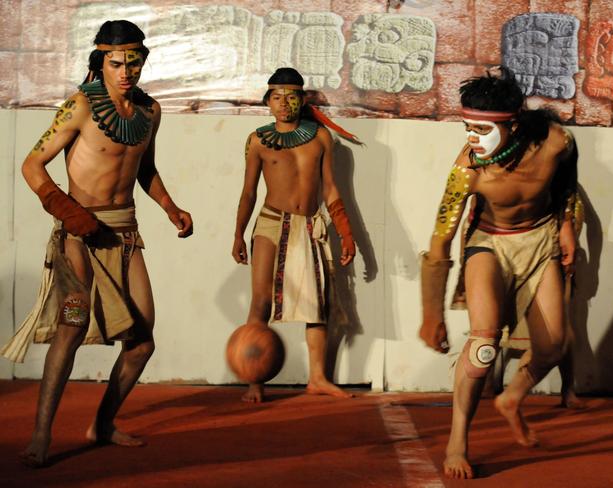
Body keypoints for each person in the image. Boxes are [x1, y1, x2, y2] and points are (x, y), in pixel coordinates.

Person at [1, 20, 193, 467]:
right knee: (72, 324)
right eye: (115, 62)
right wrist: (67, 211)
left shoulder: (151, 111)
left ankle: (102, 425)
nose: (125, 70)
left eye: (133, 61)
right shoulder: (80, 106)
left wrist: (170, 207)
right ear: (101, 62)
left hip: (126, 237)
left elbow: (144, 169)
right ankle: (41, 434)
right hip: (78, 237)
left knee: (142, 343)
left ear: (144, 61)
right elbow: (33, 165)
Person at [419, 68, 578, 479]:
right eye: (468, 127)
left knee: (554, 345)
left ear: (513, 124)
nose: (473, 138)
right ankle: (458, 441)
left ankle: (512, 399)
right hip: (489, 244)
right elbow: (439, 242)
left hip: (540, 242)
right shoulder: (467, 171)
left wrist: (566, 227)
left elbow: (567, 186)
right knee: (483, 344)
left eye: (483, 128)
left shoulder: (557, 142)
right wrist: (431, 314)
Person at [232, 67, 357, 403]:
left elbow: (331, 188)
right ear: (268, 102)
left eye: (291, 96)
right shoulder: (258, 140)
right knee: (260, 300)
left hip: (308, 225)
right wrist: (238, 235)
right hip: (270, 223)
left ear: (302, 100)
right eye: (277, 97)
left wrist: (345, 233)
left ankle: (317, 377)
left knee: (316, 304)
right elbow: (248, 193)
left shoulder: (320, 137)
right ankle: (254, 382)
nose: (284, 103)